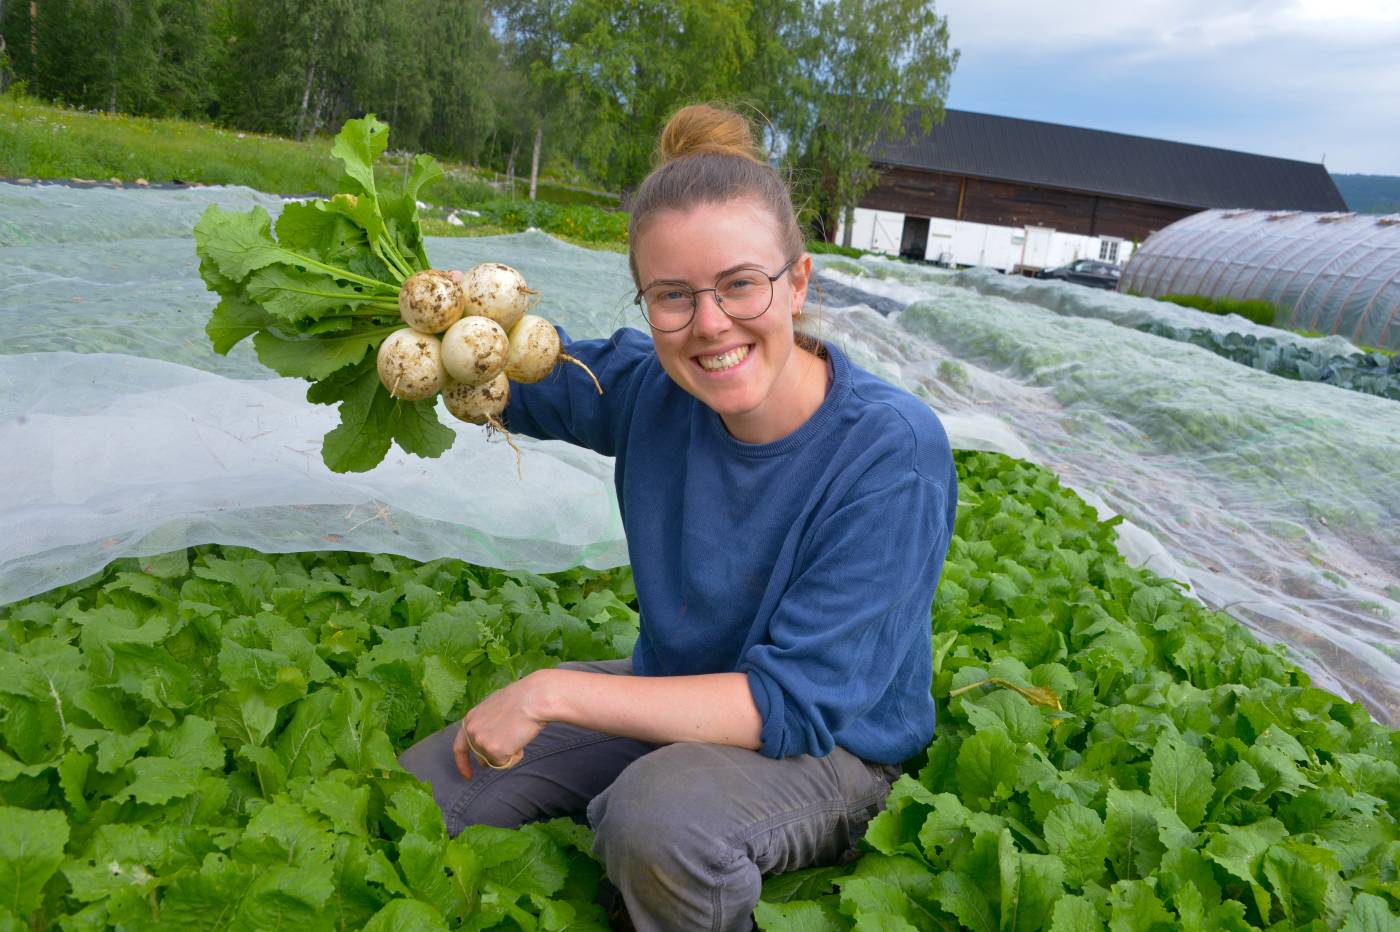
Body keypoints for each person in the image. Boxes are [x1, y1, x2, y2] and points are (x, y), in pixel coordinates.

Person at [398, 104, 957, 931]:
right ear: (646, 300)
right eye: (673, 296)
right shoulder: (651, 388)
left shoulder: (890, 453)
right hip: (678, 696)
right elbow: (512, 369)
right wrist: (428, 333)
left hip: (832, 746)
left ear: (798, 283)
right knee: (438, 784)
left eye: (741, 283)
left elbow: (789, 704)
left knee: (659, 818)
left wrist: (553, 692)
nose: (710, 325)